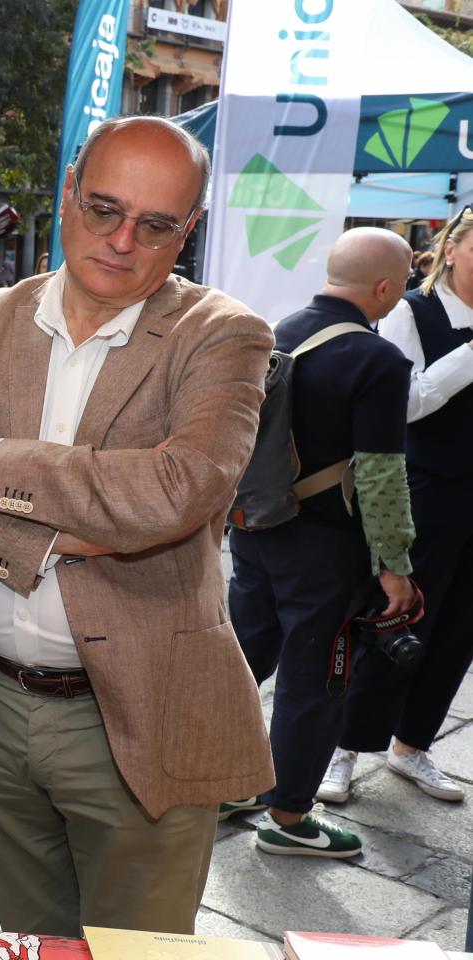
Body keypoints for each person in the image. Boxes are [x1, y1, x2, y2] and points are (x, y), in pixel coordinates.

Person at [0, 115, 275, 936]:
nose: (123, 240)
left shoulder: (224, 335)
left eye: (156, 224)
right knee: (34, 940)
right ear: (67, 196)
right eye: (103, 209)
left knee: (138, 950)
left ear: (188, 229)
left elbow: (174, 492)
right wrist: (61, 535)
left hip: (145, 706)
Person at [224, 228, 416, 859]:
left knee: (238, 658)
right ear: (384, 288)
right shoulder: (377, 360)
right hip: (327, 551)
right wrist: (395, 566)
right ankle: (287, 817)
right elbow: (382, 472)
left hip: (255, 530)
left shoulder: (271, 332)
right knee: (316, 680)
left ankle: (218, 783)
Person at [336, 207, 473, 805]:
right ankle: (339, 749)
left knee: (459, 632)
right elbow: (406, 402)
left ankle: (411, 746)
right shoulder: (415, 312)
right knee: (395, 620)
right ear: (453, 246)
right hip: (426, 492)